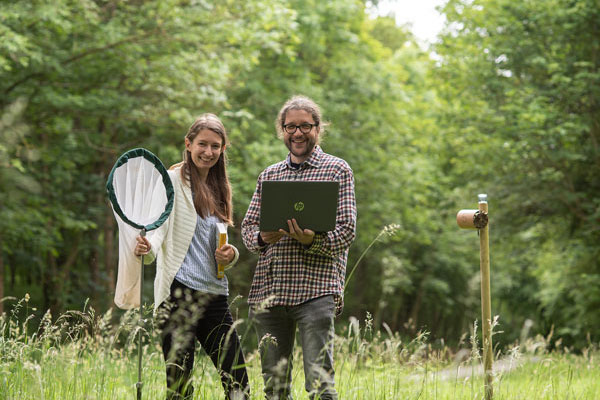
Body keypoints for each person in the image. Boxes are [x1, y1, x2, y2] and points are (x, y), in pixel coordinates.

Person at [241, 95, 357, 400]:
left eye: (305, 125)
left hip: (316, 292)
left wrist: (312, 240)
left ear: (318, 128)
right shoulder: (269, 175)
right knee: (275, 388)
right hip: (270, 291)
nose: (297, 133)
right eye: (290, 126)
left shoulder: (337, 170)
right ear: (282, 130)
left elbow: (346, 231)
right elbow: (247, 229)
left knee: (320, 385)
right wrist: (265, 237)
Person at [134, 114, 249, 400]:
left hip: (214, 294)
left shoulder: (220, 186)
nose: (208, 152)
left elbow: (218, 243)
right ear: (188, 143)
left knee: (238, 384)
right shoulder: (171, 181)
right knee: (179, 388)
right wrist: (147, 246)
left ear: (223, 149)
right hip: (177, 294)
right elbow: (157, 226)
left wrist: (231, 254)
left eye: (215, 146)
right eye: (202, 144)